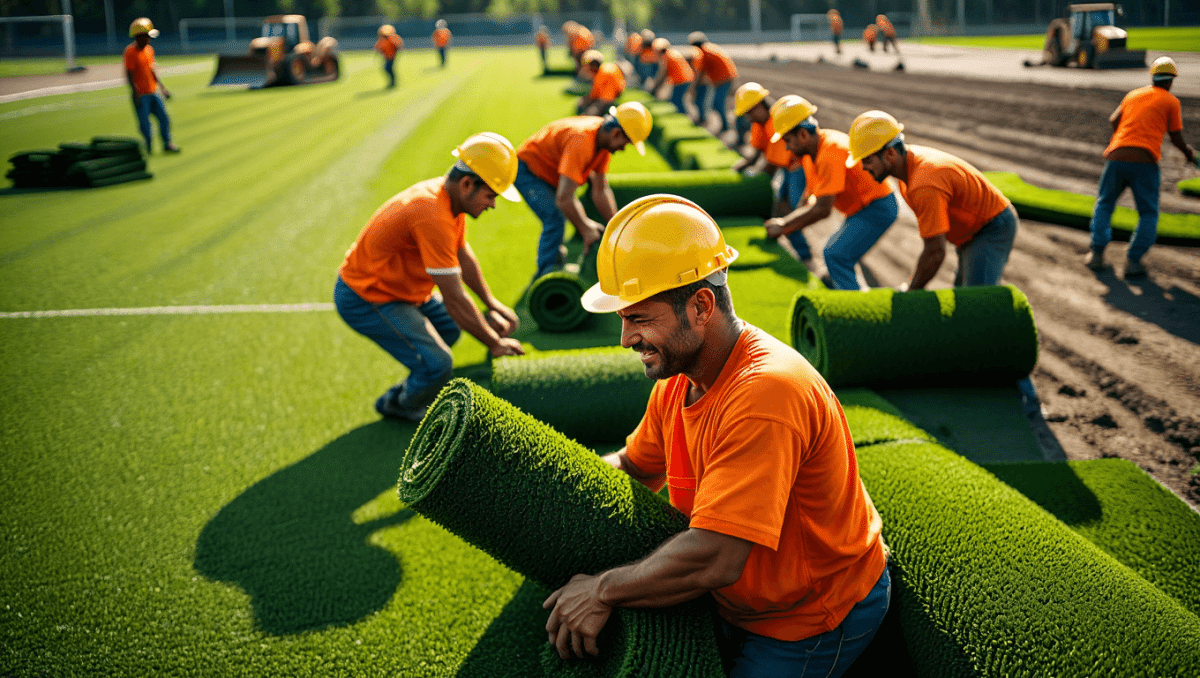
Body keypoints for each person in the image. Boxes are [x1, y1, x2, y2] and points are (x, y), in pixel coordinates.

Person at [543, 194, 890, 678]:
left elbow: (717, 557)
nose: (625, 339)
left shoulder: (766, 394)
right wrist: (552, 491)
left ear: (701, 306)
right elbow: (634, 466)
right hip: (741, 598)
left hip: (809, 615)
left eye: (639, 318)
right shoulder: (681, 383)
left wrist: (602, 589)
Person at [335, 133, 525, 421]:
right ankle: (398, 403)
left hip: (402, 290)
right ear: (467, 184)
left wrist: (492, 303)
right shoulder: (431, 213)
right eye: (491, 195)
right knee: (438, 364)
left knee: (448, 331)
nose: (493, 205)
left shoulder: (450, 201)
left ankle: (421, 377)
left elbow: (463, 255)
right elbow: (454, 299)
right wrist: (494, 344)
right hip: (368, 296)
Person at [849, 110, 1018, 289]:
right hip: (971, 232)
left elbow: (935, 251)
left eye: (867, 160)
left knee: (977, 303)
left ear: (890, 154)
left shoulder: (923, 184)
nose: (863, 167)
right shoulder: (908, 169)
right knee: (964, 296)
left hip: (991, 228)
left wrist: (913, 290)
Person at [765, 95, 900, 290]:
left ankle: (858, 311)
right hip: (861, 208)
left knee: (836, 254)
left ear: (803, 135)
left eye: (788, 140)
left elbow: (822, 209)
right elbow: (811, 196)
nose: (786, 147)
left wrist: (784, 225)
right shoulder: (811, 151)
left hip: (876, 207)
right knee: (841, 255)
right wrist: (789, 222)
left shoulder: (830, 152)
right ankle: (846, 286)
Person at [514, 102, 653, 279]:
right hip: (529, 170)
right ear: (616, 133)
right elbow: (564, 199)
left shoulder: (603, 142)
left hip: (551, 170)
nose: (624, 148)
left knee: (562, 213)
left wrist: (616, 226)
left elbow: (601, 190)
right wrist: (585, 229)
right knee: (555, 216)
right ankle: (544, 279)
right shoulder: (582, 140)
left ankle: (555, 258)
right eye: (626, 142)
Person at [1087, 56, 1196, 277]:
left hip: (1116, 156)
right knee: (1147, 213)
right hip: (1145, 161)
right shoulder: (1170, 101)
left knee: (1105, 204)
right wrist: (1189, 154)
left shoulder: (1133, 95)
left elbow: (1113, 120)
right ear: (1171, 81)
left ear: (1153, 76)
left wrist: (1125, 136)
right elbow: (1176, 138)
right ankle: (1133, 262)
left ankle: (1097, 255)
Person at [731, 83, 802, 223]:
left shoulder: (778, 121)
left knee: (791, 205)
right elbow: (757, 151)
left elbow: (773, 165)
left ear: (760, 105)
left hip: (799, 164)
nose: (748, 117)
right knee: (779, 201)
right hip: (786, 163)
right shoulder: (758, 123)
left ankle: (796, 239)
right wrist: (742, 166)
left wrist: (756, 182)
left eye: (749, 112)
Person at [124, 18, 179, 154]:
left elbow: (152, 70)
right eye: (147, 36)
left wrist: (162, 88)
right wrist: (136, 93)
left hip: (154, 92)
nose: (149, 39)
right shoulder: (130, 52)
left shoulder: (149, 50)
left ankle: (167, 143)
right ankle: (148, 147)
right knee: (145, 125)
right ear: (139, 36)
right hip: (141, 95)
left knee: (164, 118)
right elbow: (129, 75)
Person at [687, 32, 738, 134]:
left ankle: (726, 126)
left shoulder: (704, 52)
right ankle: (725, 125)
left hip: (724, 78)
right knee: (717, 103)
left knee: (718, 103)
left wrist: (694, 86)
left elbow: (701, 71)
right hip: (724, 77)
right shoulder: (709, 48)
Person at [648, 38, 696, 115]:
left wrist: (655, 87)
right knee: (677, 99)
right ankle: (683, 114)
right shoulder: (671, 53)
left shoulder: (666, 56)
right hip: (685, 78)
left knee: (676, 99)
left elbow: (663, 73)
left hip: (682, 79)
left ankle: (685, 115)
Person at [577, 50, 626, 116]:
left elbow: (601, 97)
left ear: (593, 66)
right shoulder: (603, 69)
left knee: (590, 112)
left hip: (607, 99)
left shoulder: (603, 73)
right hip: (608, 96)